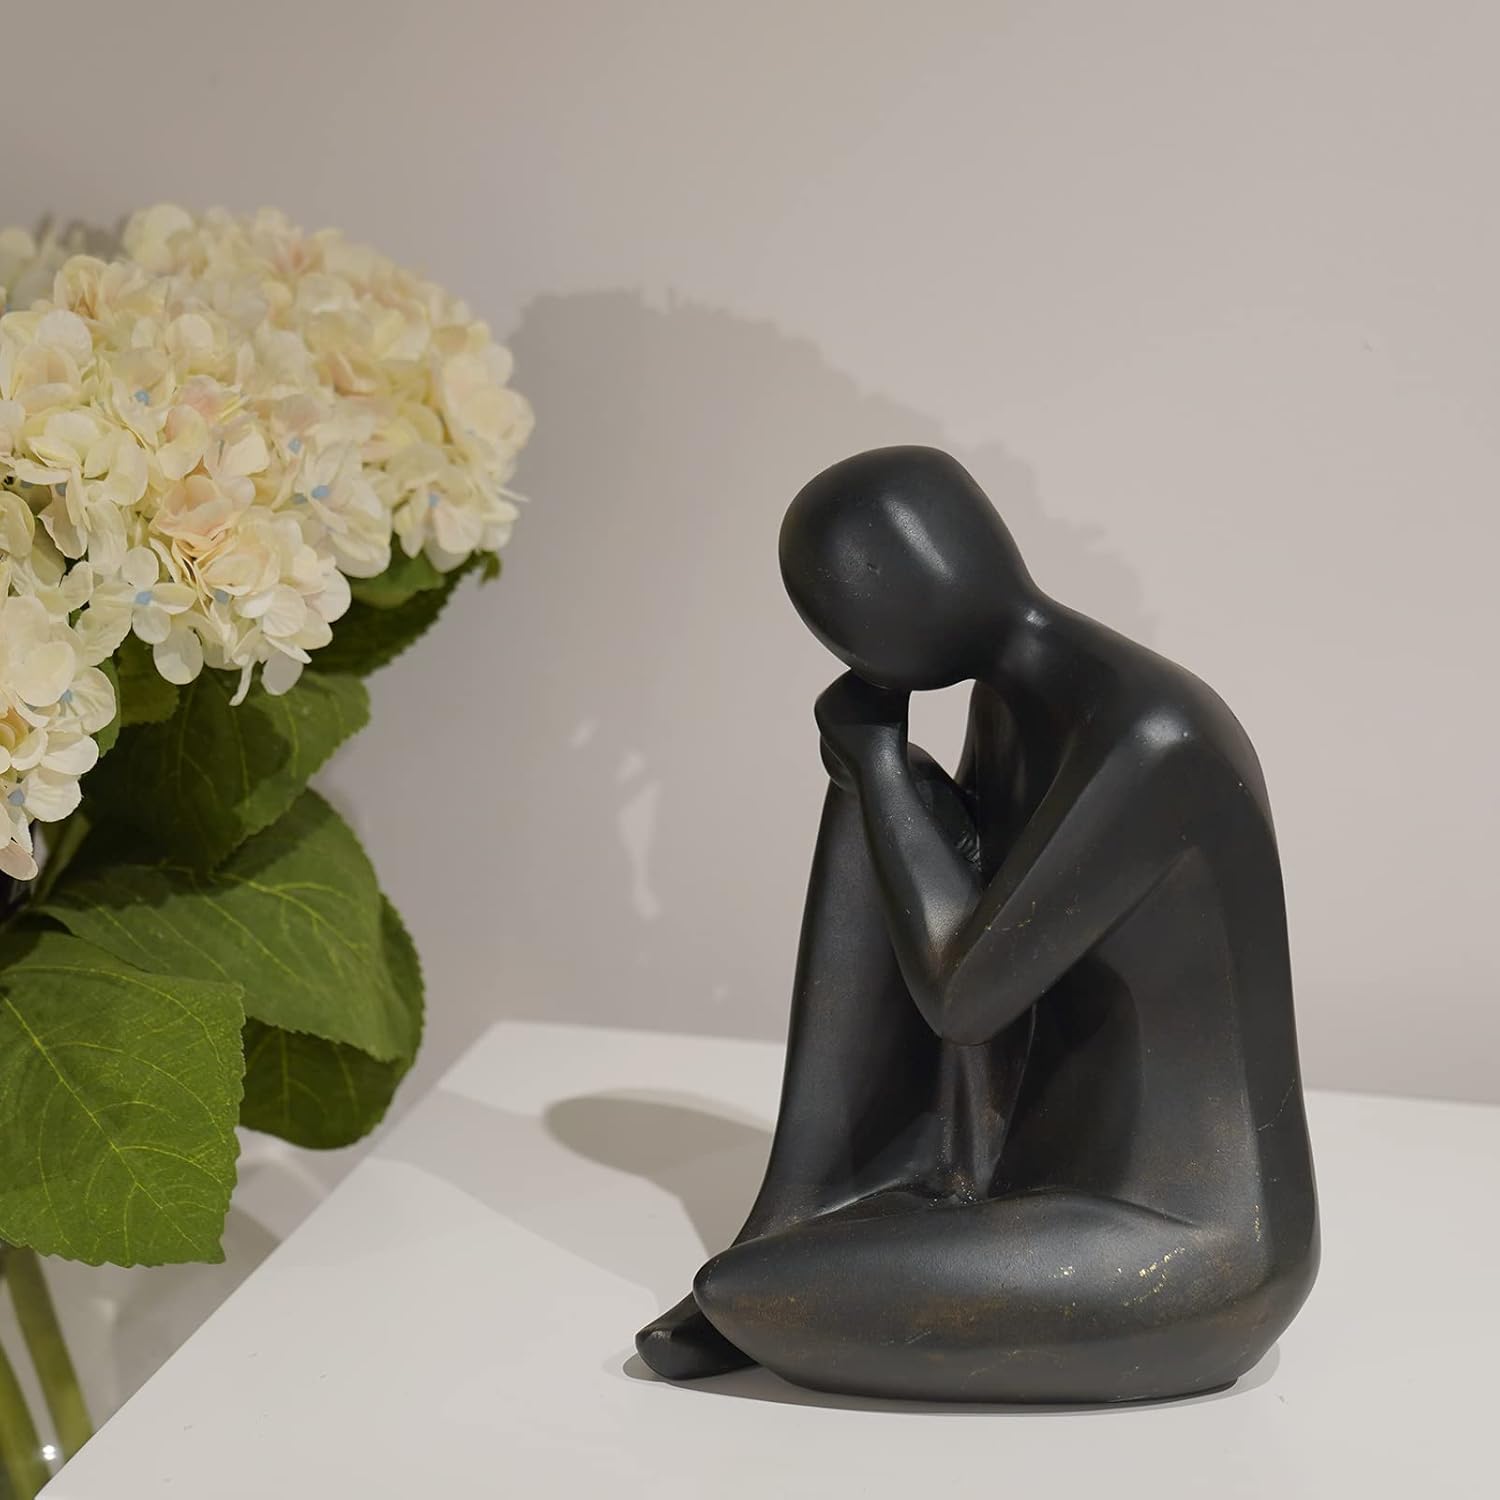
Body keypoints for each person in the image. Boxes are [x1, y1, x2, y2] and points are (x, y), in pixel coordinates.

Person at [637, 447, 1318, 1402]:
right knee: (881, 813)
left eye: (833, 613)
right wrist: (880, 784)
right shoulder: (1012, 704)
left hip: (1188, 1249)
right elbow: (952, 923)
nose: (839, 651)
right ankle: (800, 1219)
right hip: (1015, 1165)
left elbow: (963, 996)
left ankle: (787, 1273)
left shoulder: (1152, 740)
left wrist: (878, 763)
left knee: (751, 1300)